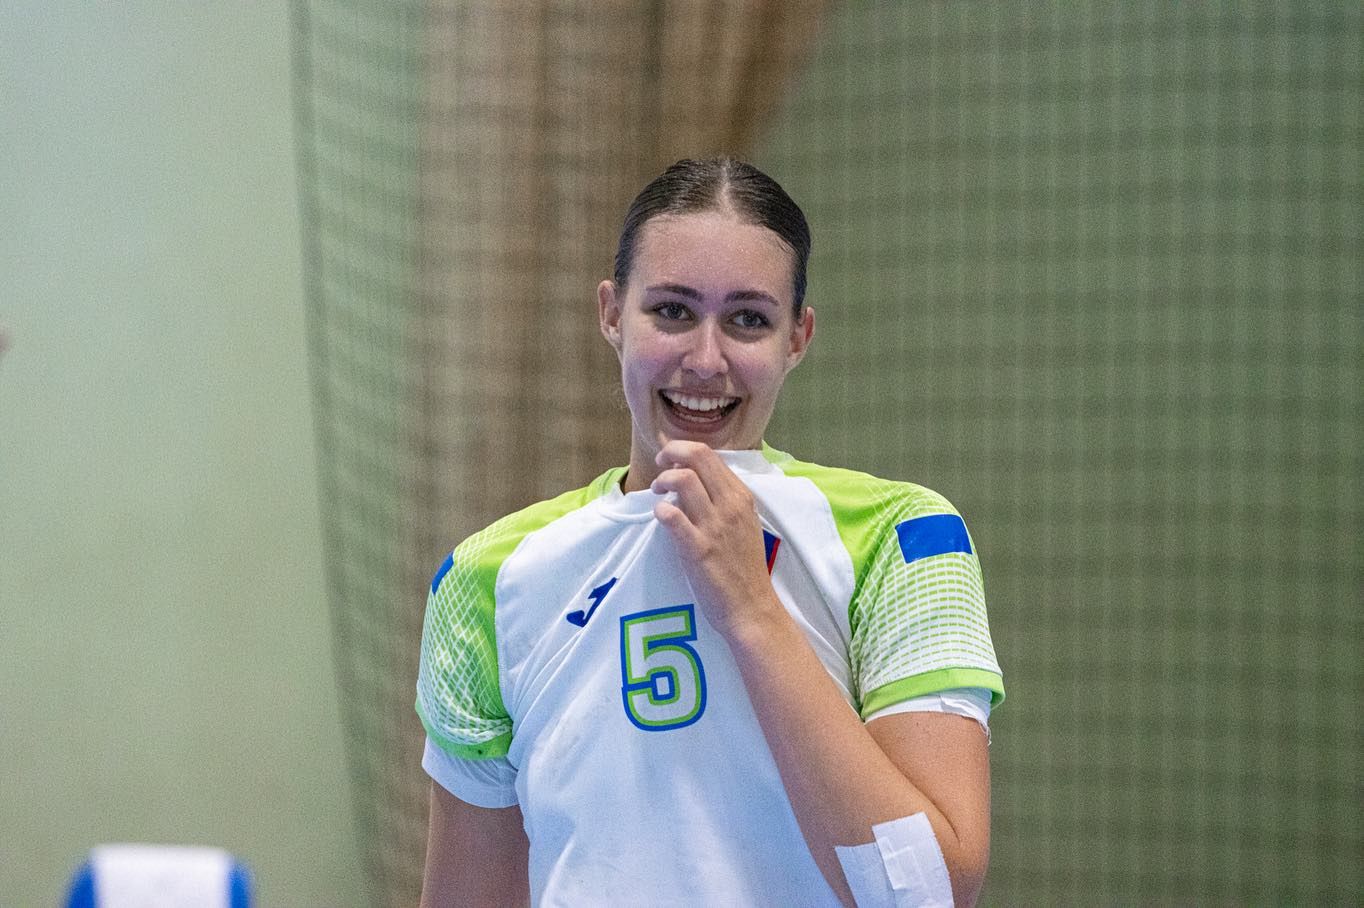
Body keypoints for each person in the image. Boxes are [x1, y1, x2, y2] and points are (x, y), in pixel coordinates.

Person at [416, 158, 1004, 907]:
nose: (704, 360)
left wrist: (752, 611)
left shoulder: (902, 537)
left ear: (798, 337)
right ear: (611, 314)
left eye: (748, 319)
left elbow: (926, 894)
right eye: (672, 311)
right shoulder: (487, 578)